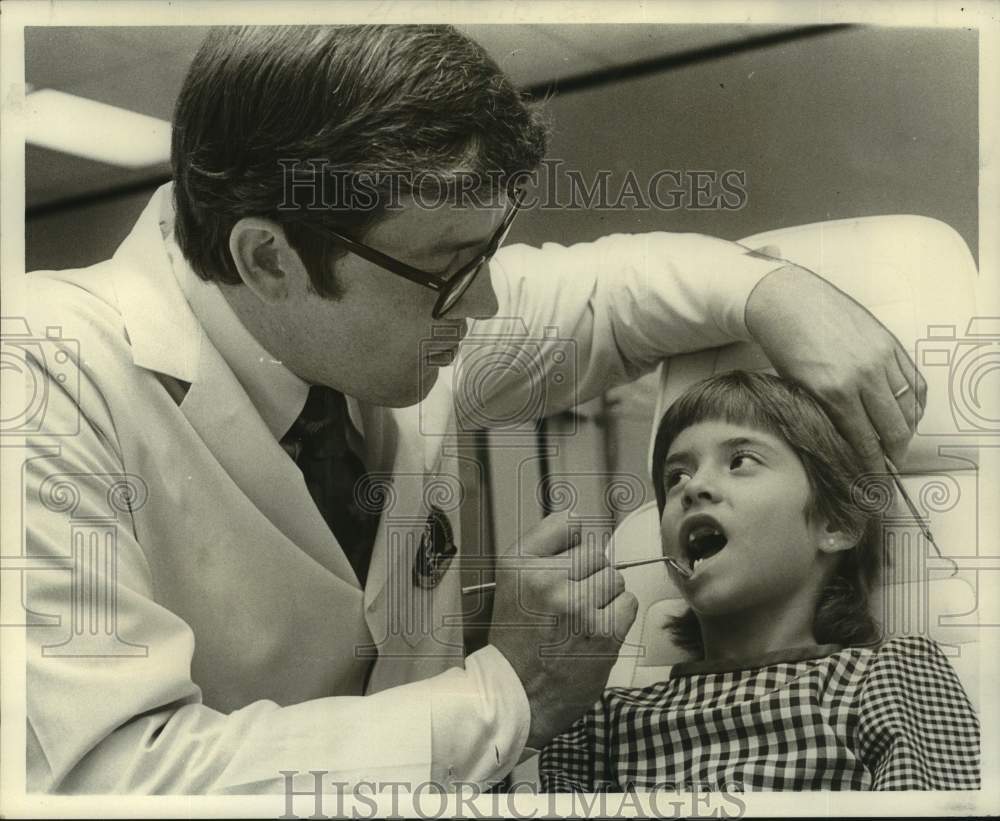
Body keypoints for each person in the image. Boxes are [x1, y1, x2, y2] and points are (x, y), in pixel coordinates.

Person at [23, 26, 926, 794]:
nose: (487, 303)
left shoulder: (376, 320)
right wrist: (507, 690)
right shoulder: (49, 376)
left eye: (488, 253)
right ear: (269, 261)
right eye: (453, 266)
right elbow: (110, 778)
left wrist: (772, 291)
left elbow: (605, 296)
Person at [538, 371, 980, 792]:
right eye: (676, 477)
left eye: (739, 461)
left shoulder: (884, 677)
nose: (693, 489)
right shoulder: (603, 722)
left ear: (833, 524)